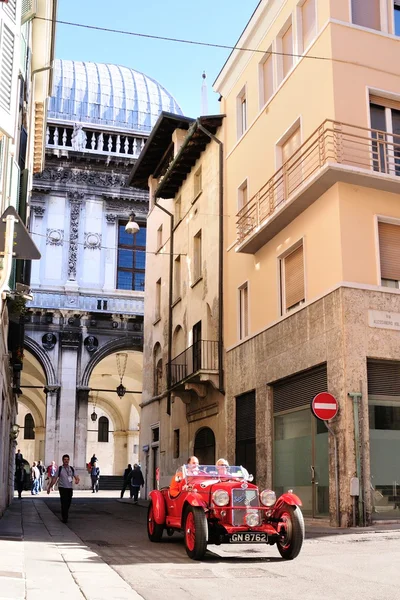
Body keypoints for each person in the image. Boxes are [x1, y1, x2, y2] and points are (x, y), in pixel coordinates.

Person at [50, 454, 80, 523]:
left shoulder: (71, 469)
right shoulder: (60, 469)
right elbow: (55, 478)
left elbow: (76, 476)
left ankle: (65, 513)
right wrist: (50, 486)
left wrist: (77, 480)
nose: (66, 461)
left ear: (69, 460)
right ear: (62, 460)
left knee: (68, 503)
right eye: (65, 459)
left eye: (67, 459)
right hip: (62, 488)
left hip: (69, 488)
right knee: (64, 503)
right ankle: (65, 517)